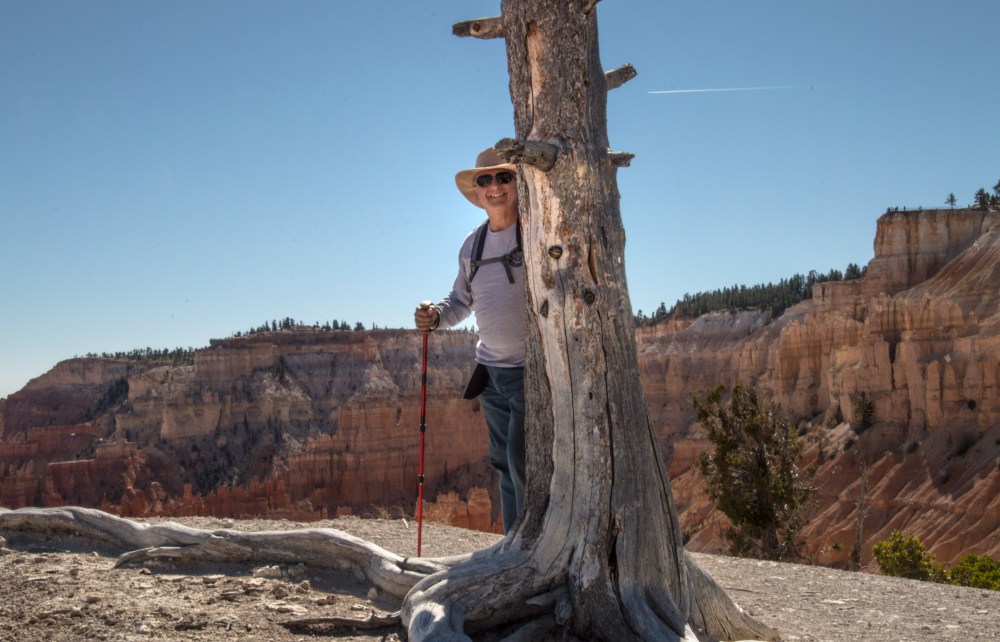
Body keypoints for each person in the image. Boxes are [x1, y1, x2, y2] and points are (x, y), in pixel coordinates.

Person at [414, 147, 526, 534]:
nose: (495, 187)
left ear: (516, 183)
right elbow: (460, 300)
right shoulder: (472, 246)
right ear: (477, 192)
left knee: (522, 462)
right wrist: (436, 316)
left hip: (531, 374)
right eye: (485, 180)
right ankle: (517, 545)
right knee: (503, 465)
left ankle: (531, 547)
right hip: (491, 375)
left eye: (503, 177)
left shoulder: (536, 232)